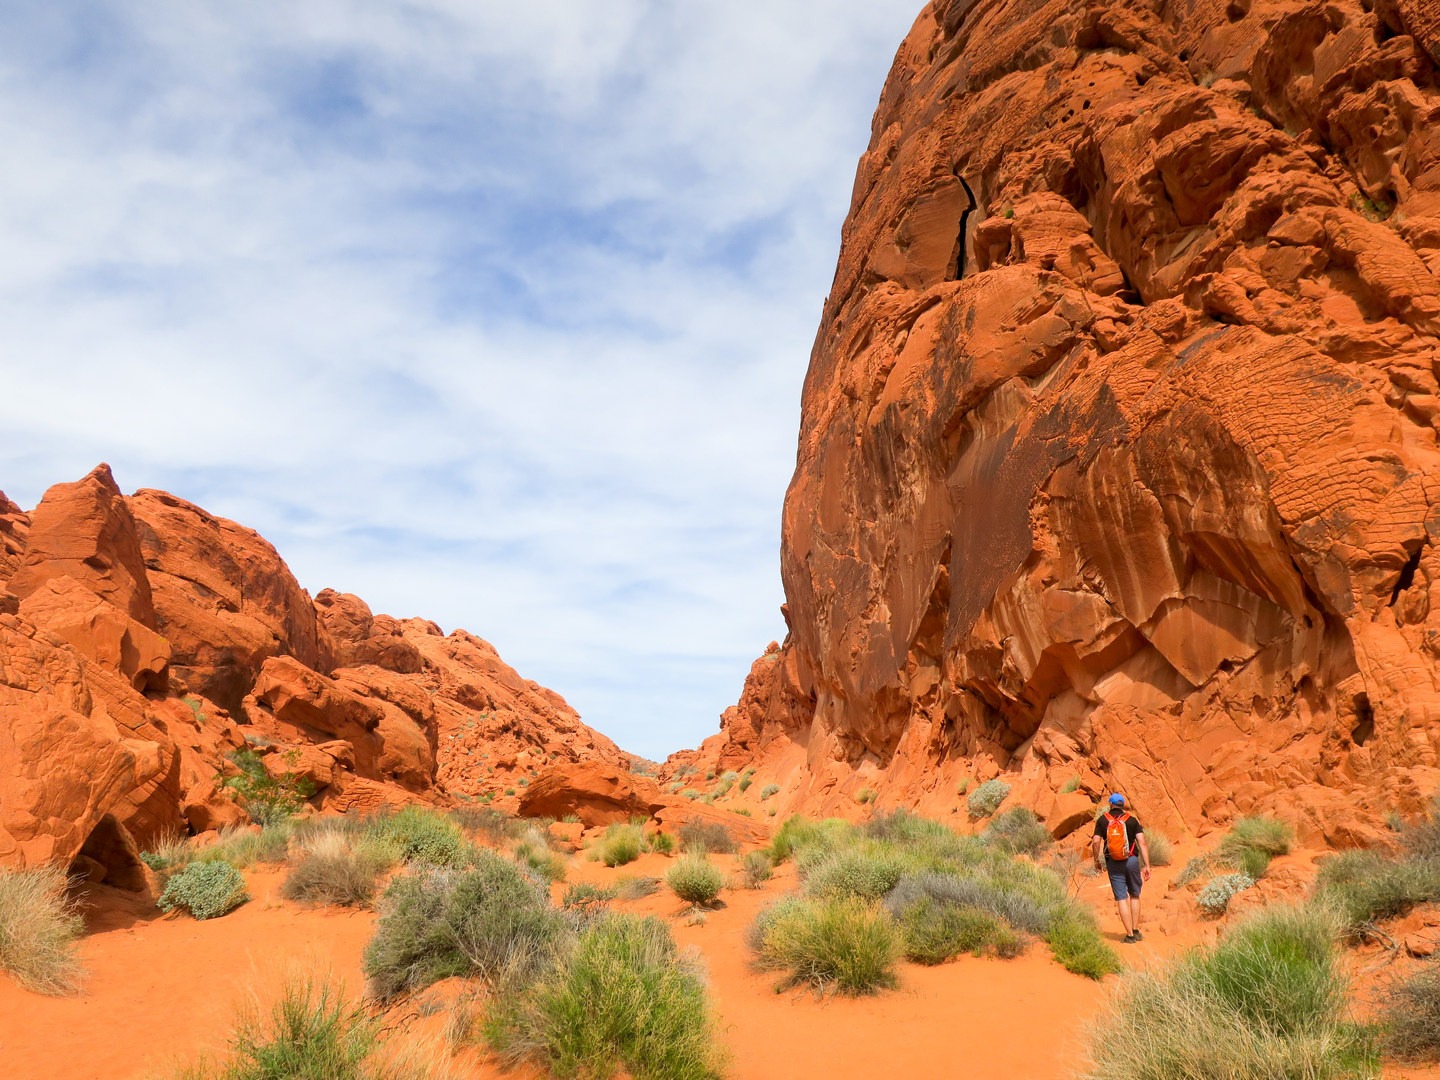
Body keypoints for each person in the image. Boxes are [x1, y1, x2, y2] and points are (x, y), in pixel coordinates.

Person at [1091, 793, 1151, 943]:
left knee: (1121, 898)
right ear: (1122, 805)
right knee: (1135, 895)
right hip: (1131, 861)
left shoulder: (1103, 820)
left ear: (1110, 804)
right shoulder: (1131, 820)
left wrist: (1096, 860)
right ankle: (1136, 930)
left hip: (1113, 862)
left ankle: (1129, 935)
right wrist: (1147, 865)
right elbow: (1142, 842)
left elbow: (1096, 842)